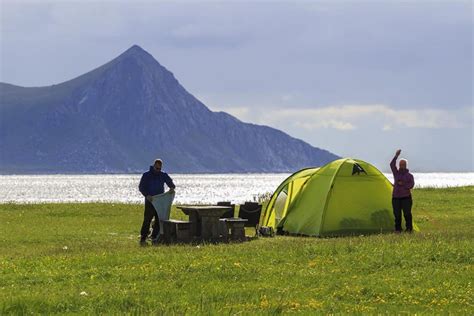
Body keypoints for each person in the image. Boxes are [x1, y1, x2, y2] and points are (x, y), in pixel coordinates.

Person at [138, 159, 175, 245]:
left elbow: (171, 184)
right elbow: (141, 187)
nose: (158, 170)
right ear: (154, 166)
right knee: (147, 220)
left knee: (159, 220)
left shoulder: (163, 175)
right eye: (157, 168)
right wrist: (147, 195)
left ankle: (154, 237)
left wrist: (172, 187)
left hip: (160, 202)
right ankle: (143, 238)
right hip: (150, 201)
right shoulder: (146, 175)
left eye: (159, 169)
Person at [390, 149, 415, 233]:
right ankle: (398, 229)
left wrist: (403, 184)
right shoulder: (396, 173)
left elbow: (411, 185)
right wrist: (396, 156)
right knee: (397, 215)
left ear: (406, 165)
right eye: (400, 164)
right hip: (396, 198)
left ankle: (409, 229)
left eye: (403, 164)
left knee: (407, 214)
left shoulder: (409, 176)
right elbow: (392, 165)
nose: (402, 166)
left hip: (406, 198)